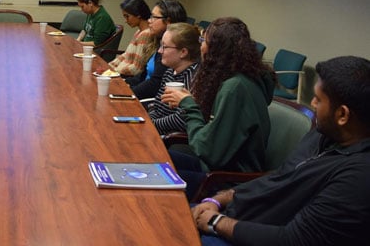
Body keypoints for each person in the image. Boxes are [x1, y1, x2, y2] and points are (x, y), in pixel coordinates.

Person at [191, 56, 370, 246]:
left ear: (342, 115)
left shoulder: (359, 176)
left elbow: (294, 239)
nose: (313, 104)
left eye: (318, 99)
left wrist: (217, 222)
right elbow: (278, 177)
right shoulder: (324, 135)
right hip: (232, 218)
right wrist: (218, 200)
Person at [161, 17, 274, 200]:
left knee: (155, 179)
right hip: (216, 167)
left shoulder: (235, 88)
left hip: (226, 181)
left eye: (204, 41)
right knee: (157, 159)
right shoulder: (245, 78)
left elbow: (208, 152)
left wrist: (189, 104)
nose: (201, 47)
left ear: (217, 50)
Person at [127, 0, 188, 99]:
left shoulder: (171, 50)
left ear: (168, 22)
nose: (149, 21)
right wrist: (124, 83)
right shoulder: (157, 41)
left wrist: (128, 93)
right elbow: (144, 74)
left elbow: (154, 84)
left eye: (154, 17)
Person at [146, 22, 200, 135]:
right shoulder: (169, 71)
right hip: (155, 130)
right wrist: (149, 122)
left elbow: (181, 120)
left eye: (164, 47)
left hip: (172, 139)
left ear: (183, 52)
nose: (160, 51)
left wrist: (151, 125)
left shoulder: (194, 78)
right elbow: (157, 106)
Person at [108, 0, 155, 78]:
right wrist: (109, 66)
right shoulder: (139, 32)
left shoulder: (146, 35)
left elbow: (136, 68)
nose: (126, 20)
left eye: (127, 16)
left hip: (127, 77)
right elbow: (126, 55)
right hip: (120, 72)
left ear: (138, 15)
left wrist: (114, 72)